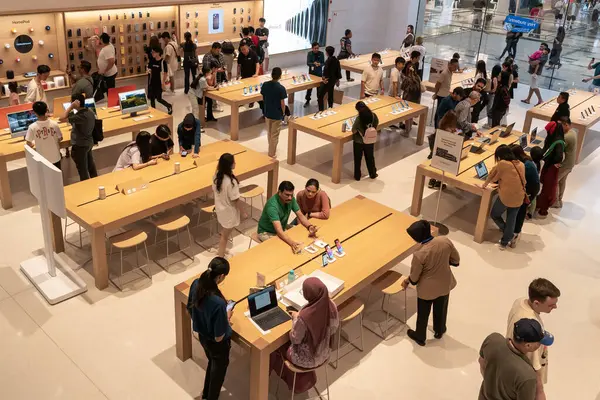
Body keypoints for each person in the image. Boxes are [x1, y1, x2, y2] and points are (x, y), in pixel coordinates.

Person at [270, 277, 339, 394]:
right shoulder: (331, 306)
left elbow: (294, 339)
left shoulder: (304, 317)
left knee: (275, 346)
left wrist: (295, 319)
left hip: (303, 360)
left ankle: (272, 376)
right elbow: (334, 327)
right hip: (324, 353)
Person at [403, 220, 460, 346]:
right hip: (445, 283)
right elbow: (456, 261)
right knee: (441, 308)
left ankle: (420, 336)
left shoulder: (419, 254)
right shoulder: (445, 241)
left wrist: (407, 281)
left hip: (426, 290)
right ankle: (439, 330)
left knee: (423, 314)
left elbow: (414, 278)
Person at [505, 279, 560, 400]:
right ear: (536, 303)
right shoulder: (530, 335)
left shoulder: (520, 302)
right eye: (551, 305)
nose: (555, 307)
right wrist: (540, 392)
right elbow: (534, 366)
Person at [186, 257, 233, 400]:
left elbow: (190, 309)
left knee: (212, 364)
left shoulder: (196, 284)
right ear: (221, 276)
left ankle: (205, 395)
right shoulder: (218, 303)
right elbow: (219, 337)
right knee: (218, 373)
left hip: (203, 336)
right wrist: (227, 317)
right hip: (217, 344)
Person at [479, 318, 554, 400]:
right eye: (539, 343)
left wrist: (492, 383)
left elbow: (481, 361)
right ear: (528, 345)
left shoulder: (493, 339)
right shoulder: (527, 375)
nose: (540, 345)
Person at [481, 144, 526, 250]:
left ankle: (507, 232)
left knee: (495, 214)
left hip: (506, 197)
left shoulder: (502, 164)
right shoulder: (521, 164)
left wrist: (484, 184)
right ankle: (505, 241)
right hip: (520, 196)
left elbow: (493, 177)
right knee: (511, 218)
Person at [256, 181, 319, 252]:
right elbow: (279, 231)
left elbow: (300, 215)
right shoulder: (272, 206)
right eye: (287, 195)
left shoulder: (290, 199)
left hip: (282, 226)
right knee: (284, 247)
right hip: (266, 232)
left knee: (301, 233)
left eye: (291, 195)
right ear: (279, 192)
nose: (290, 198)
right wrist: (292, 243)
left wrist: (309, 226)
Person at [212, 153, 247, 258]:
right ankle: (221, 256)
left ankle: (221, 250)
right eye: (233, 162)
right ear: (230, 165)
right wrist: (243, 212)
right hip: (229, 212)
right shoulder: (231, 182)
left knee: (224, 232)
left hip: (220, 209)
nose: (235, 163)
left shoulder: (216, 176)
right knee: (225, 236)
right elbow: (236, 199)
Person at [59, 94, 97, 181]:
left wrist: (70, 107)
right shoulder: (90, 111)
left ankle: (85, 185)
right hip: (88, 143)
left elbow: (61, 118)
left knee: (82, 170)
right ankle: (95, 182)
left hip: (80, 145)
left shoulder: (80, 116)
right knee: (90, 166)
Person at [510, 145, 540, 246]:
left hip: (530, 190)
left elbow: (521, 180)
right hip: (533, 187)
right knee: (521, 209)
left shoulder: (525, 166)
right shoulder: (527, 160)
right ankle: (516, 230)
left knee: (521, 210)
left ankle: (516, 233)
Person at [537, 121, 565, 217]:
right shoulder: (552, 137)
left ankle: (543, 208)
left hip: (551, 167)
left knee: (548, 187)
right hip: (548, 165)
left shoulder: (558, 142)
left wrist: (549, 161)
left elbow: (558, 157)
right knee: (544, 183)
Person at [25, 101, 63, 169]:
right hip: (56, 157)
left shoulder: (32, 127)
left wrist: (33, 143)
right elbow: (60, 138)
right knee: (57, 178)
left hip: (42, 160)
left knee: (45, 178)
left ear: (34, 112)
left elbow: (28, 143)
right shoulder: (54, 124)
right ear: (46, 110)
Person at [261, 67, 287, 158]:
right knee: (275, 135)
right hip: (277, 114)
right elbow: (282, 103)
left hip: (267, 112)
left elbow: (263, 98)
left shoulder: (265, 85)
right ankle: (271, 153)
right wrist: (283, 113)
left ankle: (270, 148)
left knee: (269, 132)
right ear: (280, 76)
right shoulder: (281, 88)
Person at [553, 117, 577, 208]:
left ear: (566, 124)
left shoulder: (566, 137)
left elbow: (558, 150)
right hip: (570, 162)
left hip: (565, 164)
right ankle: (559, 199)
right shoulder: (573, 132)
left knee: (555, 181)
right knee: (562, 181)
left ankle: (555, 202)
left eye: (560, 125)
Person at [352, 101, 379, 180]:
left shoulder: (359, 118)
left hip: (358, 141)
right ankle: (373, 173)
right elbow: (376, 123)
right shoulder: (373, 116)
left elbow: (353, 130)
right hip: (369, 141)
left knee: (357, 159)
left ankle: (357, 176)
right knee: (370, 157)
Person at [147, 46, 173, 115]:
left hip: (159, 82)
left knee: (159, 98)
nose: (152, 53)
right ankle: (154, 112)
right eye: (152, 52)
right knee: (152, 98)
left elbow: (165, 73)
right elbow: (150, 70)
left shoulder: (163, 62)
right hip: (152, 82)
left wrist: (163, 83)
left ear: (158, 53)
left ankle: (169, 106)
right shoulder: (152, 61)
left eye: (153, 52)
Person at [401, 62, 423, 134]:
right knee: (412, 115)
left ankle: (407, 132)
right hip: (416, 99)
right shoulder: (418, 77)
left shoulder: (407, 78)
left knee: (407, 116)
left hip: (408, 99)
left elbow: (402, 88)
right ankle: (409, 128)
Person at [318, 46, 341, 111]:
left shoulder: (329, 61)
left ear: (327, 53)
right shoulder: (336, 60)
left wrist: (324, 78)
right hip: (333, 80)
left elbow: (326, 71)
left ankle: (321, 110)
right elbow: (338, 70)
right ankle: (330, 107)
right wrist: (337, 79)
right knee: (330, 94)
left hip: (327, 80)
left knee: (320, 95)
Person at [305, 42, 325, 107]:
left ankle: (319, 100)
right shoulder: (310, 54)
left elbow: (323, 63)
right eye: (315, 48)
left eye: (317, 48)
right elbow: (308, 63)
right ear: (312, 48)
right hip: (311, 73)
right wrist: (314, 64)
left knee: (319, 88)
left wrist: (319, 64)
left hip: (319, 73)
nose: (316, 49)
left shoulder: (321, 54)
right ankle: (307, 100)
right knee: (309, 88)